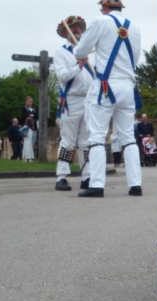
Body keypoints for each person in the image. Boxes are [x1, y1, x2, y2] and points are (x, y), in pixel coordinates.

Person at [74, 0, 142, 198]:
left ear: (104, 7)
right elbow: (135, 58)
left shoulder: (100, 21)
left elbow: (80, 51)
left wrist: (83, 55)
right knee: (128, 137)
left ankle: (96, 185)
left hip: (105, 85)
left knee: (97, 136)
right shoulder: (135, 27)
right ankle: (135, 184)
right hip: (128, 86)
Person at [54, 15, 95, 191]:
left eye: (78, 27)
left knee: (86, 141)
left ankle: (86, 176)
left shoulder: (88, 50)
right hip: (71, 99)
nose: (76, 30)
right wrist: (78, 66)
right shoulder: (61, 52)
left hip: (89, 99)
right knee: (68, 140)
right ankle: (61, 176)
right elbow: (62, 76)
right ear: (65, 32)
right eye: (72, 27)